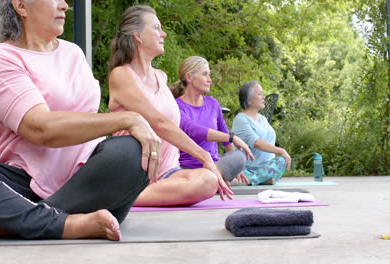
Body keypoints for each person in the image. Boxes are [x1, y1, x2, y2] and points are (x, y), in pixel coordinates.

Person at [0, 0, 162, 242]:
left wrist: (131, 125)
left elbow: (88, 124)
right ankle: (59, 222)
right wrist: (126, 118)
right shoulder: (0, 57)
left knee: (134, 148)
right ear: (22, 6)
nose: (65, 5)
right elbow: (40, 128)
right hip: (19, 189)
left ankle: (18, 223)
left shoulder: (73, 53)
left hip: (88, 186)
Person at [108, 5, 234, 207]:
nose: (163, 34)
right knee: (209, 174)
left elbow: (173, 126)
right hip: (134, 173)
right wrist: (205, 157)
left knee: (207, 180)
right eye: (157, 28)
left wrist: (209, 165)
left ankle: (129, 196)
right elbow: (158, 123)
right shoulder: (122, 75)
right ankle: (118, 196)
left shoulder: (161, 77)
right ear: (138, 35)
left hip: (168, 173)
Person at [170, 56, 254, 185]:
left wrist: (235, 168)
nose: (209, 80)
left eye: (209, 75)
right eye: (204, 74)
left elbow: (225, 134)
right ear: (189, 77)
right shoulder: (176, 106)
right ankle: (212, 180)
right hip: (187, 169)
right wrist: (232, 137)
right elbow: (193, 130)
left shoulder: (213, 104)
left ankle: (212, 179)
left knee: (238, 157)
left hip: (214, 165)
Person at [231, 80, 291, 185]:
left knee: (282, 161)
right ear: (249, 100)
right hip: (246, 169)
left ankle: (255, 180)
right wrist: (280, 150)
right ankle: (256, 179)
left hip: (266, 168)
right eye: (259, 94)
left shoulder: (263, 119)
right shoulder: (241, 119)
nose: (263, 97)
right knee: (282, 156)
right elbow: (256, 143)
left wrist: (281, 154)